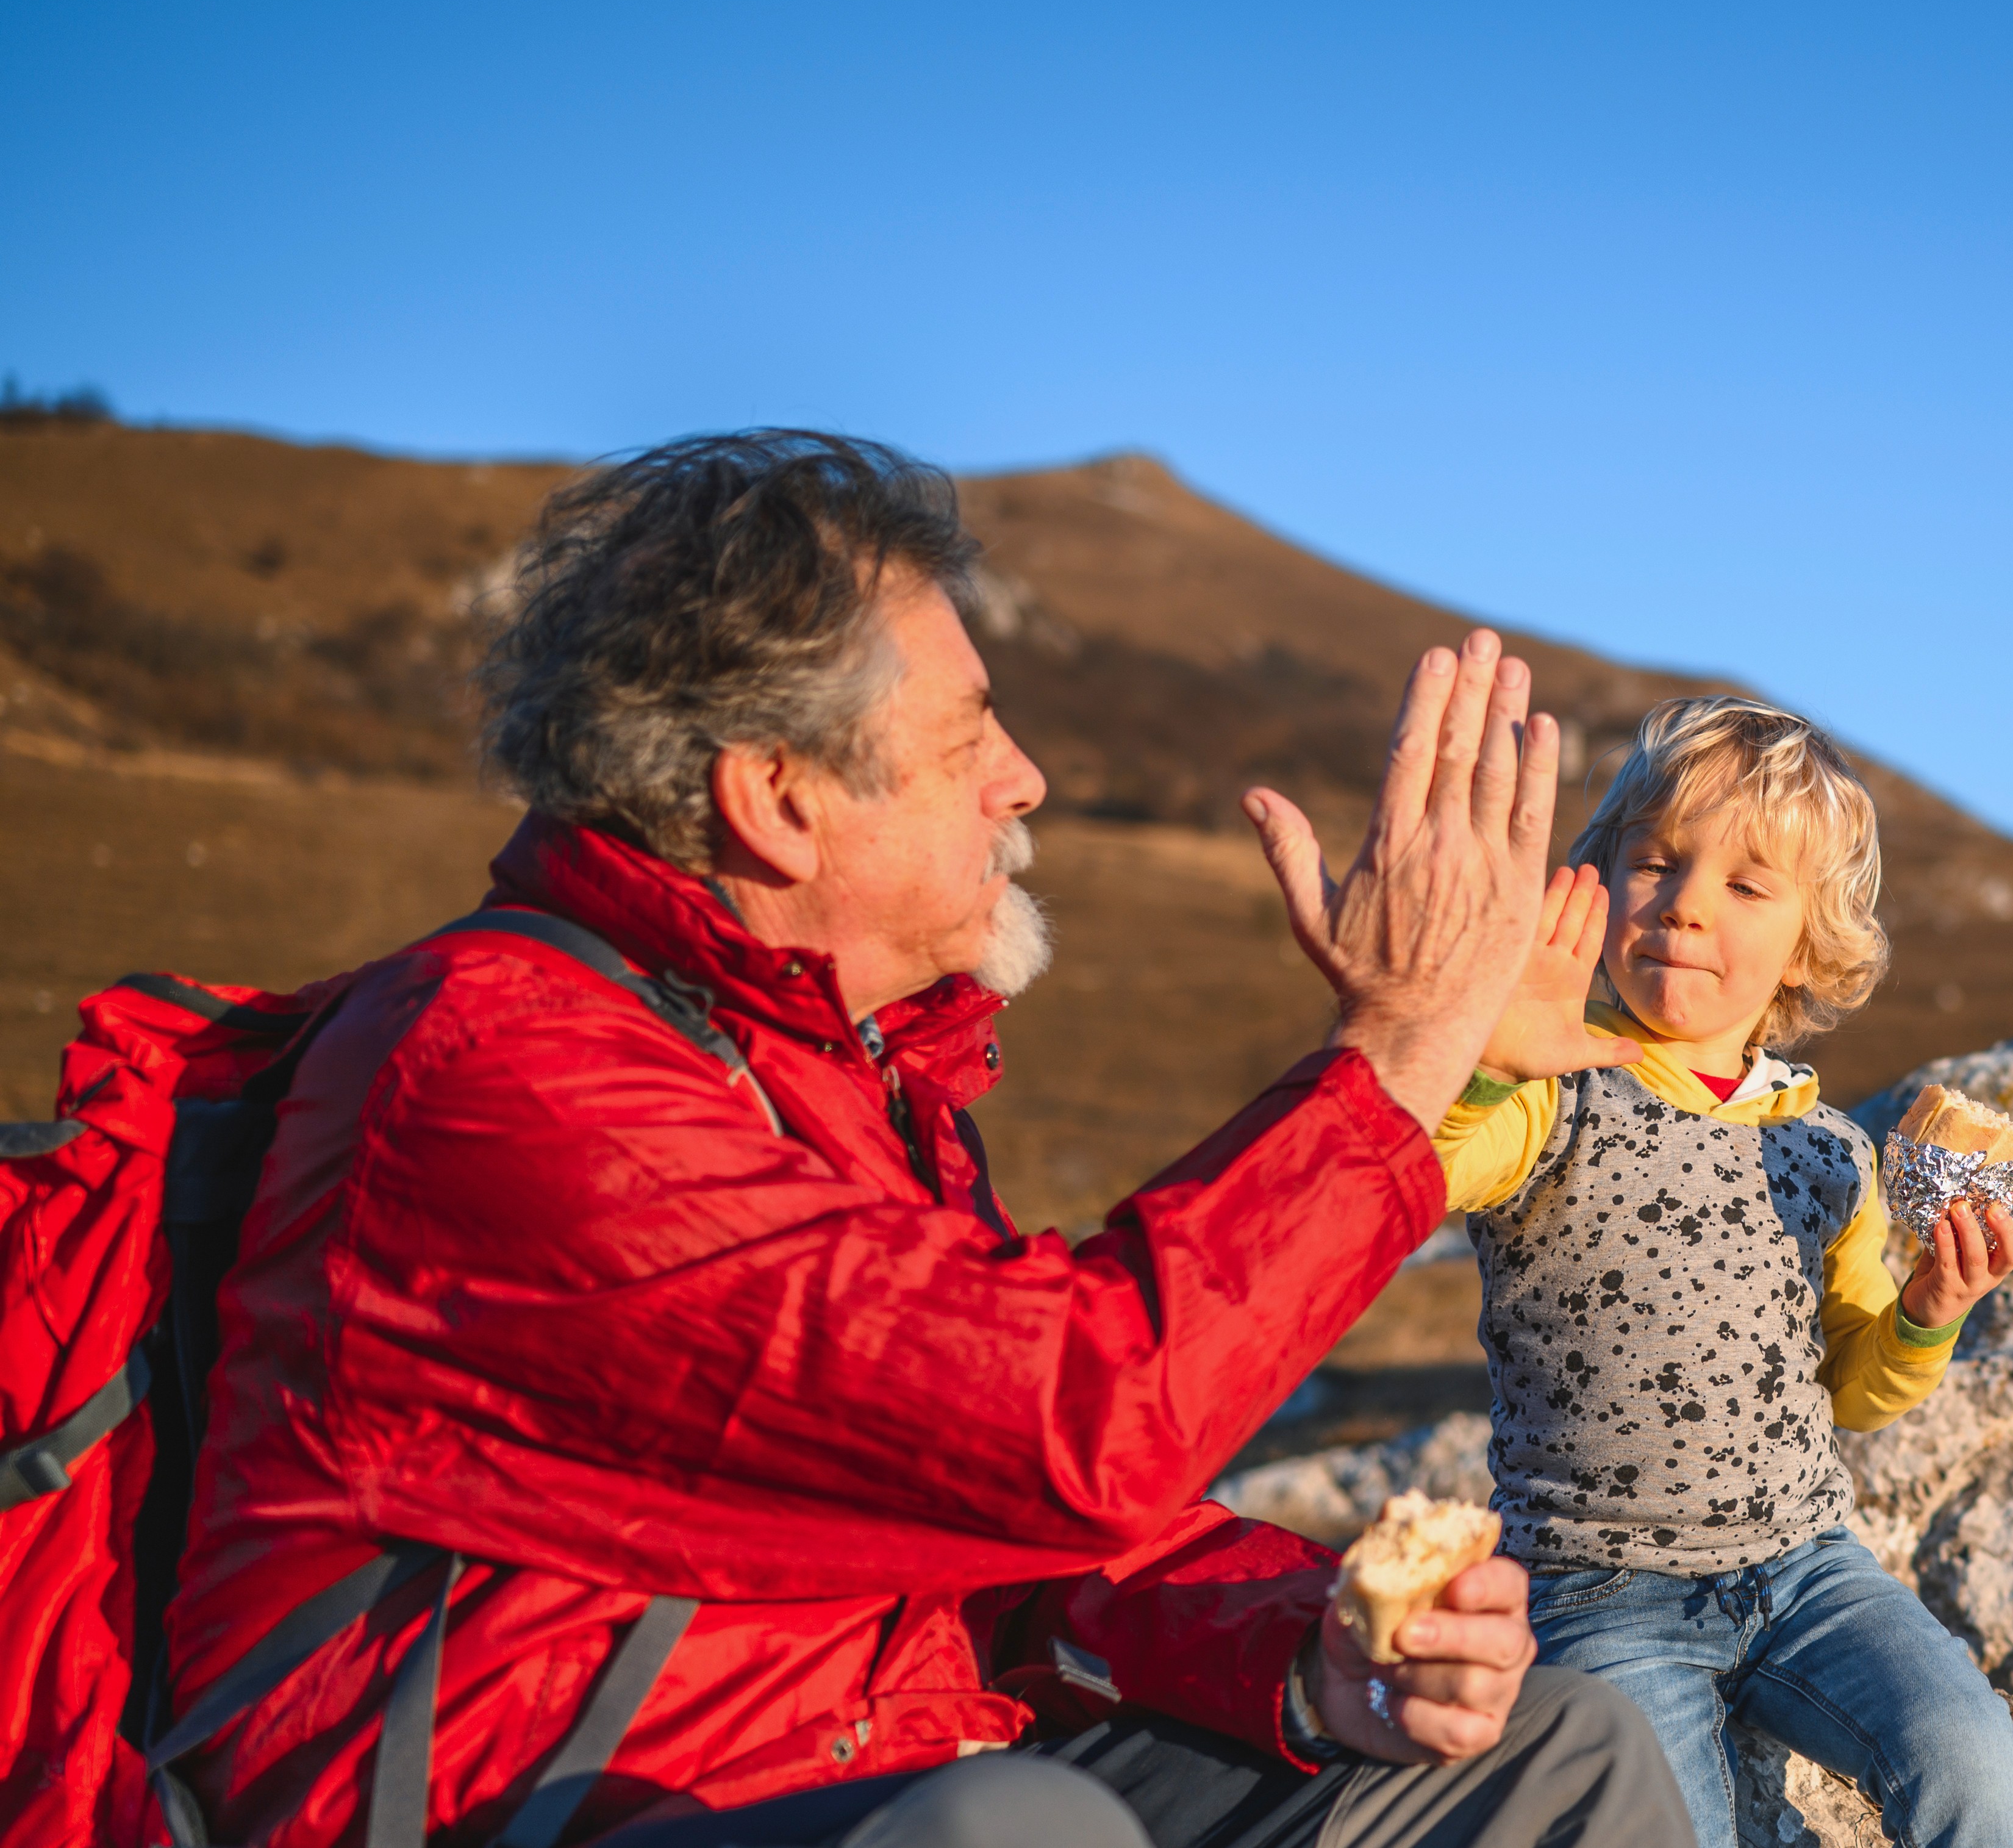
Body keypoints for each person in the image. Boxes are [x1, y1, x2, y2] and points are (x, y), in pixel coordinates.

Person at [157, 432, 1697, 1848]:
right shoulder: (506, 1072)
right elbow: (1078, 1422)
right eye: (967, 734)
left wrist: (1312, 1660)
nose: (1022, 778)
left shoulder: (849, 1078)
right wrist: (1401, 1050)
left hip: (893, 1760)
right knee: (1018, 1834)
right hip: (569, 1810)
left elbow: (1020, 1530)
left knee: (1555, 1756)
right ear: (776, 799)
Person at [1426, 697, 2013, 1848]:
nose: (1689, 904)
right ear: (1599, 881)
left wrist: (1928, 1309)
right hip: (1595, 1591)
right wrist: (1486, 1061)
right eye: (1656, 862)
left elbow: (1851, 1390)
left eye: (1748, 887)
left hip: (1808, 1570)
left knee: (1969, 1750)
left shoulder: (1828, 1154)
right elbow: (1432, 1166)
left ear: (1810, 946)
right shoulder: (1551, 1097)